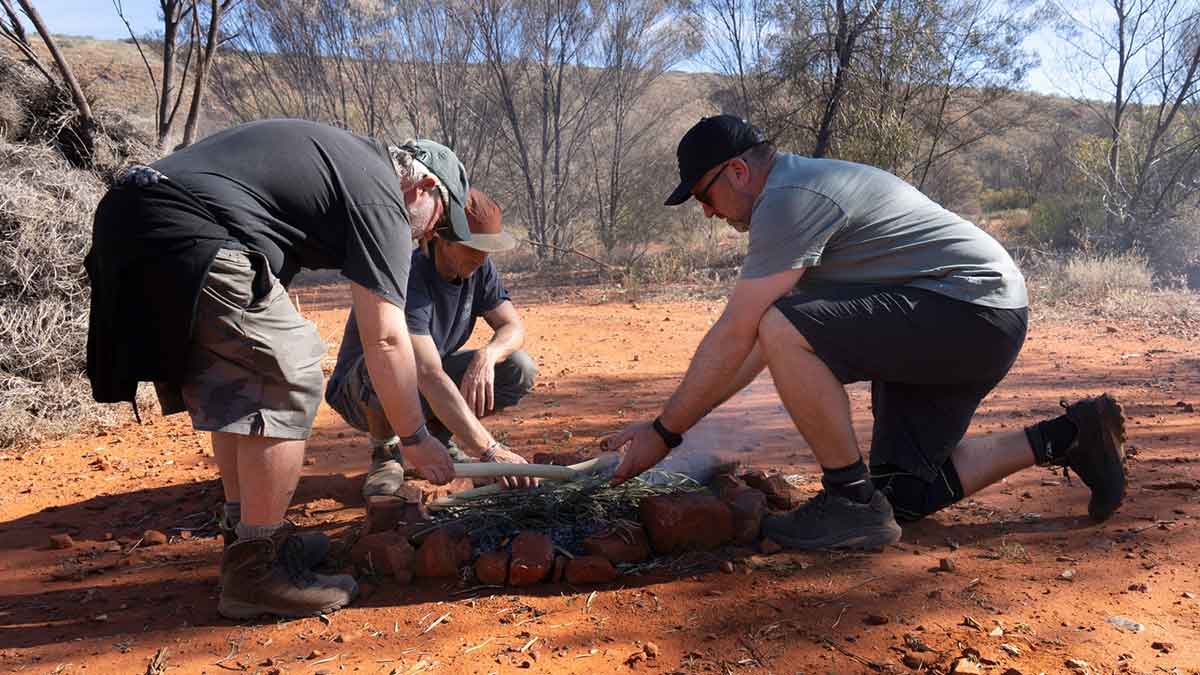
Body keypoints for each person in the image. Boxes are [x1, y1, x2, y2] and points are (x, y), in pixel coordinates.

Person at [604, 115, 1126, 550]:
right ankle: (1073, 434)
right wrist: (672, 431)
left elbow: (744, 331)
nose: (709, 212)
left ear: (738, 171)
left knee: (780, 321)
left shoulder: (787, 199)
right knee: (905, 496)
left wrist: (664, 432)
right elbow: (754, 346)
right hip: (966, 314)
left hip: (969, 310)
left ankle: (849, 501)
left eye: (704, 195)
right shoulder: (796, 191)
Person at [85, 119, 469, 619]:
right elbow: (386, 336)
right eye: (437, 222)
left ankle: (248, 536)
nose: (427, 238)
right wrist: (415, 438)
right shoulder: (381, 195)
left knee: (244, 384)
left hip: (136, 219)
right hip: (183, 226)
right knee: (290, 371)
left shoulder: (340, 171)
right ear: (424, 187)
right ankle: (255, 575)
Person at [326, 188, 539, 497]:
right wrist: (490, 450)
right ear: (444, 239)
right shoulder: (408, 276)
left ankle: (438, 439)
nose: (482, 258)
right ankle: (385, 453)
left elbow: (512, 327)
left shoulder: (480, 268)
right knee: (387, 366)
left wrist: (488, 355)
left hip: (421, 381)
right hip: (360, 390)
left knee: (517, 366)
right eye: (474, 248)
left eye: (487, 250)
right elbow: (427, 373)